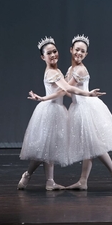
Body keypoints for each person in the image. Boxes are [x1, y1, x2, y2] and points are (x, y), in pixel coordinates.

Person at [18, 37, 105, 190]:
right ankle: (28, 175)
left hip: (56, 109)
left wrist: (44, 98)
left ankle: (49, 181)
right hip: (51, 111)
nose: (53, 55)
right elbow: (67, 88)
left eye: (55, 51)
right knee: (44, 148)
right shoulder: (52, 72)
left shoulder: (57, 71)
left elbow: (62, 92)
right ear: (43, 57)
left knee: (49, 148)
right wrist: (88, 94)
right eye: (49, 53)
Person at [62, 34, 112, 190]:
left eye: (82, 51)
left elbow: (66, 88)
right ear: (71, 50)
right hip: (78, 107)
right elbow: (69, 93)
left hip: (86, 108)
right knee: (88, 146)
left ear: (86, 54)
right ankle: (83, 181)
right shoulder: (71, 69)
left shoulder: (80, 70)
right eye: (77, 49)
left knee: (94, 144)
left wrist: (55, 82)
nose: (79, 53)